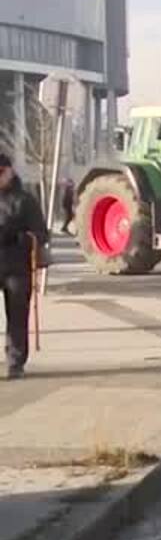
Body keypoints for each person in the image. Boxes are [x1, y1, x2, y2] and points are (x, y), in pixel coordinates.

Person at [0, 152, 50, 379]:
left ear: (10, 171)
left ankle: (15, 361)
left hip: (17, 267)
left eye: (0, 172)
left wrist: (19, 237)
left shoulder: (25, 200)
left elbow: (41, 234)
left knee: (18, 315)